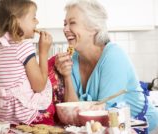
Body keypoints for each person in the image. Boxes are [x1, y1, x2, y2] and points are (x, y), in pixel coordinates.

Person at [54, 0, 158, 133]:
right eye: (65, 23)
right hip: (102, 127)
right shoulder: (73, 60)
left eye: (72, 23)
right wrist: (67, 76)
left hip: (139, 124)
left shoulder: (113, 55)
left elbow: (104, 113)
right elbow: (72, 113)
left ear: (93, 27)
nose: (65, 29)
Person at [0, 0, 55, 125]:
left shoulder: (2, 47)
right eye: (33, 17)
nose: (37, 22)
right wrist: (43, 52)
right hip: (26, 117)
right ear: (17, 21)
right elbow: (39, 86)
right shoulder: (23, 46)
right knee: (54, 81)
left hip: (4, 118)